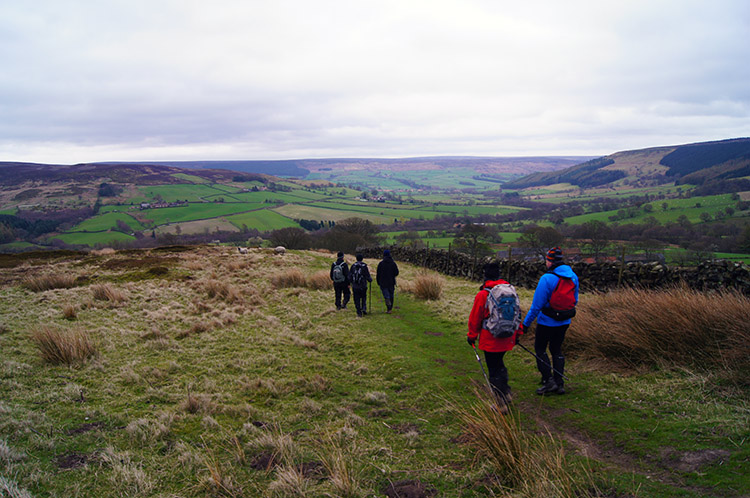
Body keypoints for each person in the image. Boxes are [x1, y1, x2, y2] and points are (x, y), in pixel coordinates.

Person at [522, 247, 579, 395]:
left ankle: (549, 381)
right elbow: (575, 300)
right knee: (556, 350)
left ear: (550, 261)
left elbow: (536, 306)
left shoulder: (547, 279)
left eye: (547, 260)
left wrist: (525, 324)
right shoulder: (573, 277)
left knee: (540, 349)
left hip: (546, 322)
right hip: (564, 321)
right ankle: (559, 383)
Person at [467, 262, 523, 405]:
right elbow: (517, 314)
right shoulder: (510, 292)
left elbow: (475, 318)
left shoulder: (483, 294)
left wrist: (472, 336)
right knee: (500, 364)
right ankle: (506, 393)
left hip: (490, 339)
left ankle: (501, 403)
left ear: (485, 276)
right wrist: (518, 333)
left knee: (493, 369)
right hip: (507, 336)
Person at [376, 249, 399, 313]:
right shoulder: (393, 263)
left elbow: (378, 274)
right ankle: (390, 308)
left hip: (383, 282)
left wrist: (378, 281)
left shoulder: (381, 264)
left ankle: (388, 307)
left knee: (386, 295)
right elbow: (396, 273)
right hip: (391, 281)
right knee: (391, 294)